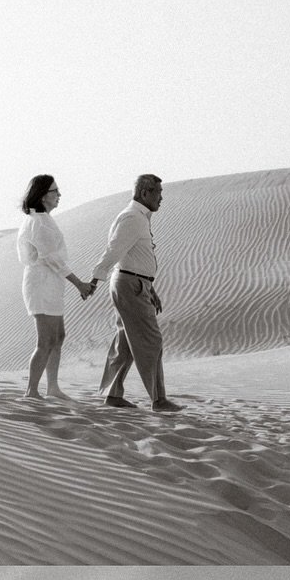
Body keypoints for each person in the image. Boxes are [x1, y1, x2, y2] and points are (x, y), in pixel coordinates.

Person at [88, 172, 181, 411]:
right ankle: (159, 400)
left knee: (126, 342)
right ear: (144, 193)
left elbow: (137, 258)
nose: (161, 198)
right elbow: (114, 251)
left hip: (135, 283)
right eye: (158, 193)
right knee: (152, 340)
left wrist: (151, 288)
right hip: (130, 284)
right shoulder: (132, 217)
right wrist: (95, 278)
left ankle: (113, 394)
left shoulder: (139, 217)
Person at [17, 175, 95, 401]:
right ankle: (31, 391)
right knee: (46, 340)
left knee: (58, 336)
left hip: (51, 283)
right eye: (55, 191)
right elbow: (51, 258)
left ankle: (52, 387)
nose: (59, 195)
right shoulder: (38, 221)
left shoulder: (44, 219)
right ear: (42, 195)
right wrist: (79, 283)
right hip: (41, 283)